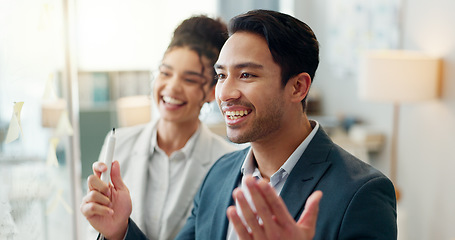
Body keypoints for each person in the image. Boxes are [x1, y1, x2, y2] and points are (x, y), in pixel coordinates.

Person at [82, 9, 398, 240]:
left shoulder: (362, 192)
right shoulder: (219, 175)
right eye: (221, 76)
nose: (226, 93)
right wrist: (120, 230)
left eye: (246, 75)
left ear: (298, 87)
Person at [81, 15, 240, 240]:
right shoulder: (119, 143)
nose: (172, 87)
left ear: (212, 90)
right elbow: (97, 231)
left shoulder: (230, 164)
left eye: (190, 79)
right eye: (165, 73)